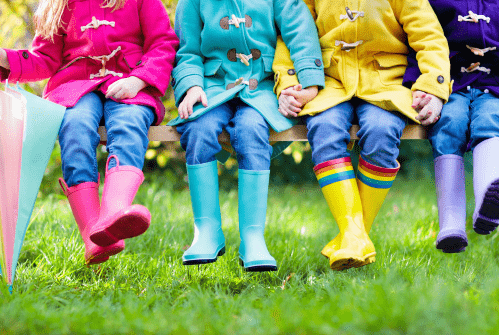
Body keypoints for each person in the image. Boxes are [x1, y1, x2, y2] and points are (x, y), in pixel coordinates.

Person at [275, 0, 451, 270]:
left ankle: (353, 235)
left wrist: (434, 85)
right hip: (327, 81)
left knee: (382, 131)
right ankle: (355, 234)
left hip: (385, 82)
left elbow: (429, 36)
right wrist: (288, 83)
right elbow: (291, 33)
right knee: (325, 128)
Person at [0, 0, 178, 264]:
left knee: (129, 122)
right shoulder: (59, 5)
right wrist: (5, 59)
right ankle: (93, 235)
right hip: (75, 85)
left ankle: (115, 213)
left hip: (130, 81)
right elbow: (45, 60)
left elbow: (162, 43)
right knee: (75, 127)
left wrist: (139, 80)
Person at [170, 0, 324, 271]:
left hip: (262, 85)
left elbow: (300, 33)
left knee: (251, 130)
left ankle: (253, 237)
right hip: (211, 85)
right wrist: (191, 84)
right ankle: (207, 231)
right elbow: (187, 50)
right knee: (198, 128)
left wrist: (308, 81)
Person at [403, 1, 499, 253]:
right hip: (449, 87)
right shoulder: (437, 3)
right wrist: (425, 86)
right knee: (448, 124)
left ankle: (488, 203)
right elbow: (423, 42)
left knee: (491, 119)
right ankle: (451, 223)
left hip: (495, 87)